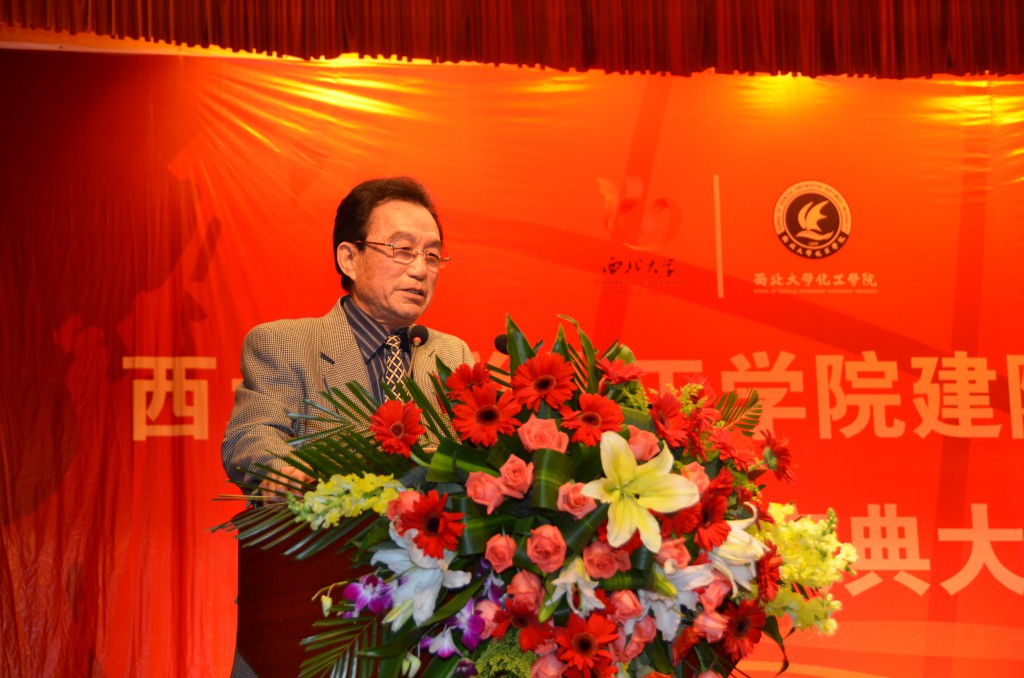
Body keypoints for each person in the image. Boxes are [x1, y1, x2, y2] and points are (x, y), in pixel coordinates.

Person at [222, 177, 473, 677]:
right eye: (402, 250)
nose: (420, 269)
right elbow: (251, 435)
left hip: (423, 624)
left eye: (432, 256)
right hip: (312, 622)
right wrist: (278, 467)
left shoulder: (451, 355)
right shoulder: (286, 344)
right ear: (349, 258)